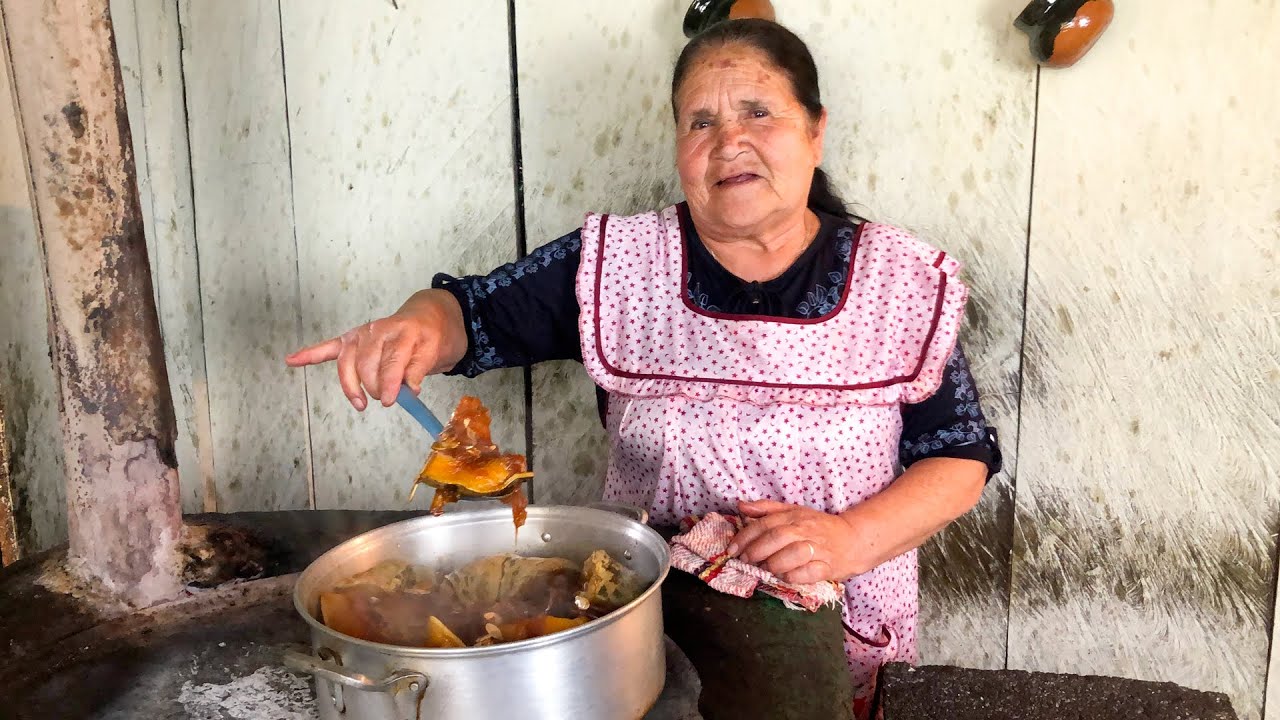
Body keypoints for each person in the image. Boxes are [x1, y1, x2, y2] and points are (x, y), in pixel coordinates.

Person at [287, 18, 1000, 713]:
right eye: (700, 122)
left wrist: (849, 540)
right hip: (644, 614)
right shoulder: (619, 263)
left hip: (833, 621)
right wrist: (416, 327)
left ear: (816, 129)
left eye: (759, 112)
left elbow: (960, 454)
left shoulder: (899, 279)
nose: (729, 142)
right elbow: (469, 315)